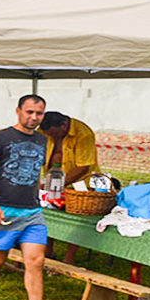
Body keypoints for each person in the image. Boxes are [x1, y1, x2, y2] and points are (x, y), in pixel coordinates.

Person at [0, 94, 63, 300]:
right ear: (18, 111)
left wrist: (41, 195)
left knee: (36, 261)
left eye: (39, 113)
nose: (34, 118)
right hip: (3, 210)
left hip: (32, 212)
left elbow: (36, 173)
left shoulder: (42, 140)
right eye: (30, 112)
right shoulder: (1, 137)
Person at [39, 111, 99, 263]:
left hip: (79, 184)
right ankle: (48, 252)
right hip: (52, 181)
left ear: (64, 125)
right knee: (48, 215)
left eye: (55, 134)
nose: (52, 138)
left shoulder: (83, 133)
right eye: (49, 134)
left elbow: (83, 167)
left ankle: (69, 259)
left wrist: (57, 184)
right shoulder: (43, 131)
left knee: (75, 220)